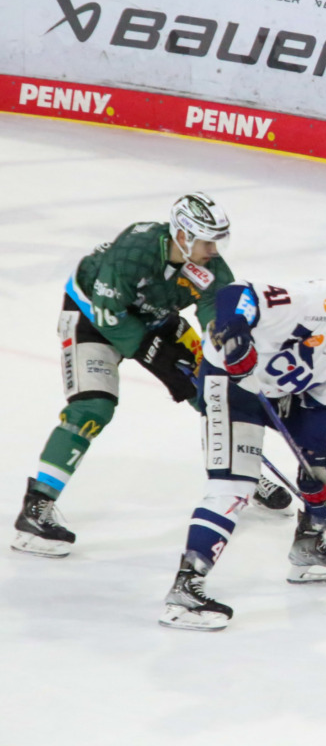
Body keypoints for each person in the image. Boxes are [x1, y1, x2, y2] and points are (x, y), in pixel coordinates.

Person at [11, 193, 292, 559]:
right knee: (93, 406)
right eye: (206, 241)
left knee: (215, 393)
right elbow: (108, 312)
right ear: (182, 236)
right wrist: (151, 352)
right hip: (90, 316)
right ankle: (36, 507)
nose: (213, 249)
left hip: (155, 319)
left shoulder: (212, 268)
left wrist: (218, 350)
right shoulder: (135, 248)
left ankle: (239, 474)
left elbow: (215, 317)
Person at [158, 255, 326, 631]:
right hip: (231, 382)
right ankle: (185, 589)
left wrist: (314, 466)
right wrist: (236, 332)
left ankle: (308, 546)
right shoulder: (316, 300)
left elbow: (321, 415)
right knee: (234, 486)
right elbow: (236, 294)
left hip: (279, 393)